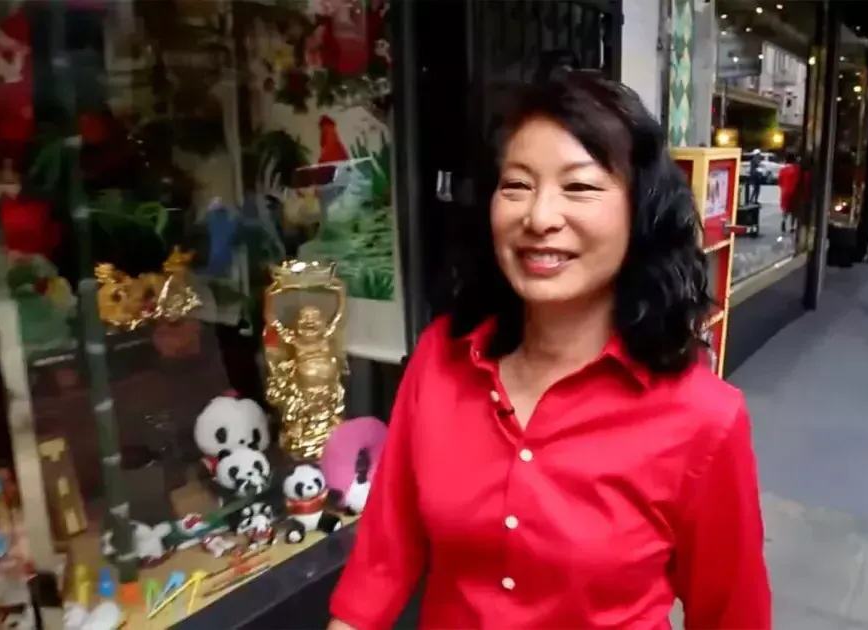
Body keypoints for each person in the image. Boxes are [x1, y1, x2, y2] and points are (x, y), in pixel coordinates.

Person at [328, 74, 770, 629]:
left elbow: (732, 616)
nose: (539, 218)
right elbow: (383, 560)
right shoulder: (442, 358)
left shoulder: (705, 418)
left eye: (580, 188)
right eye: (516, 185)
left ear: (641, 211)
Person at [778, 152, 801, 233]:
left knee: (785, 209)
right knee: (794, 211)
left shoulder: (782, 170)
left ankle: (784, 221)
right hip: (795, 192)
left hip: (785, 192)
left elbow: (780, 182)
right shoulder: (797, 169)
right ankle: (792, 227)